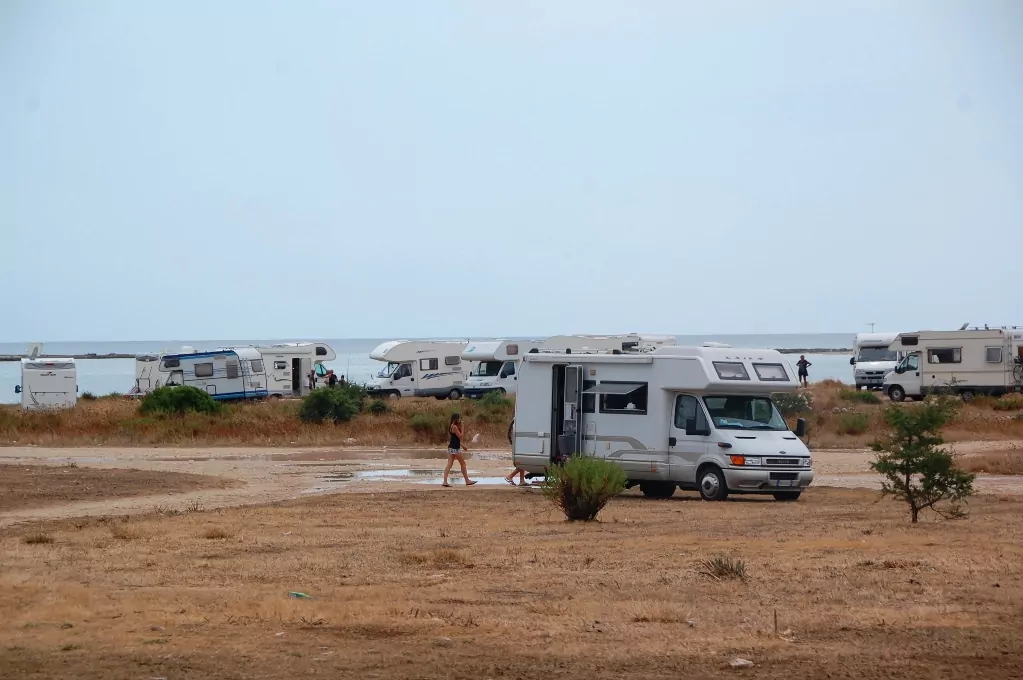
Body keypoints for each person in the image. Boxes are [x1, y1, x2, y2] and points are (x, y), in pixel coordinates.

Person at [442, 413, 476, 487]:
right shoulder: (454, 427)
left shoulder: (452, 426)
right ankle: (467, 480)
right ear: (455, 419)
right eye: (458, 418)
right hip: (455, 448)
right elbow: (460, 437)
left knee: (449, 464)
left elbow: (454, 439)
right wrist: (463, 427)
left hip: (451, 447)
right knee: (463, 464)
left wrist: (462, 445)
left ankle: (445, 481)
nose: (460, 420)